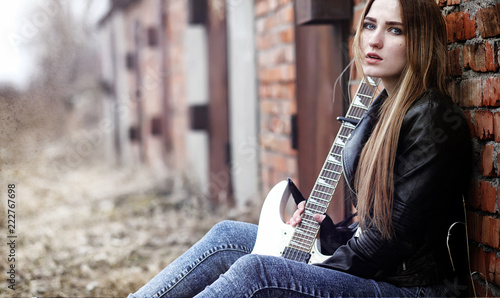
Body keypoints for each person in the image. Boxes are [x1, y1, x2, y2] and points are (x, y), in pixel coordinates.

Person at [128, 0, 473, 297]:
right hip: (381, 271)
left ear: (421, 42)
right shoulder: (383, 107)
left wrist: (302, 262)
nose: (375, 40)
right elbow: (373, 224)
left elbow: (388, 241)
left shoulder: (432, 118)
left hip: (412, 289)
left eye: (396, 30)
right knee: (227, 237)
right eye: (369, 25)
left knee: (257, 273)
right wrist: (328, 236)